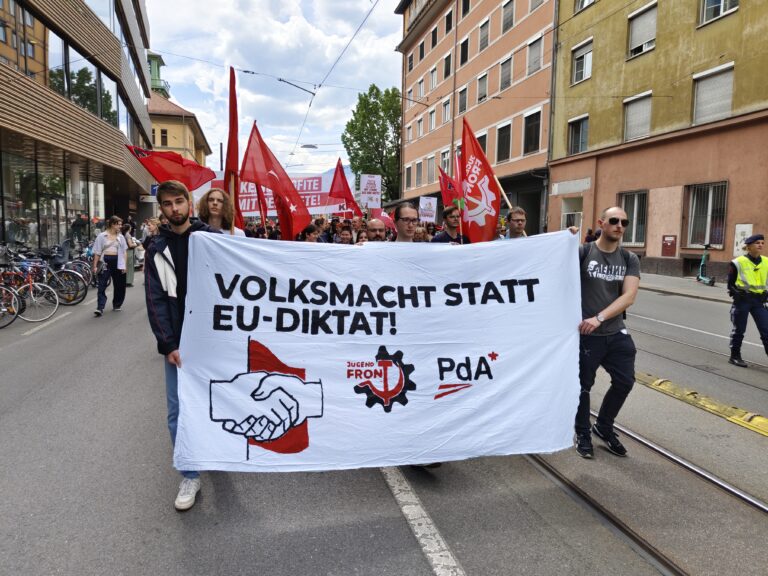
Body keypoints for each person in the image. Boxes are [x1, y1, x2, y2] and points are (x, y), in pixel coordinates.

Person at [144, 180, 219, 511]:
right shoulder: (155, 248)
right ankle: (189, 473)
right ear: (161, 208)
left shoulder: (211, 239)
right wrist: (168, 343)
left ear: (189, 202)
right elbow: (155, 299)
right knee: (177, 411)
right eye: (167, 204)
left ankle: (219, 451)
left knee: (219, 398)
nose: (174, 209)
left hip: (214, 341)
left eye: (179, 201)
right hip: (179, 341)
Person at [575, 206, 640, 459]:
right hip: (586, 335)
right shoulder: (583, 252)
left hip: (615, 333)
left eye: (624, 222)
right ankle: (582, 432)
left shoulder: (628, 258)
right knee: (583, 387)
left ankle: (603, 425)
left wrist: (600, 318)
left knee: (625, 381)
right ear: (601, 223)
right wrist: (566, 240)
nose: (619, 226)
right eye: (614, 221)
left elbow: (629, 295)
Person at [727, 234, 767, 367]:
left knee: (766, 329)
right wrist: (736, 293)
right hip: (743, 300)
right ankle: (735, 356)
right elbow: (730, 284)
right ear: (749, 246)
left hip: (759, 301)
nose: (760, 245)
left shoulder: (766, 262)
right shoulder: (738, 262)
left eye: (762, 243)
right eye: (757, 243)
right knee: (739, 329)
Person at [92, 216, 128, 316]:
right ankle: (100, 307)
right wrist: (95, 266)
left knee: (120, 285)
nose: (120, 226)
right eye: (119, 224)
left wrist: (124, 265)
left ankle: (117, 304)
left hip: (118, 262)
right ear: (113, 224)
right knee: (102, 285)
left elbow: (124, 252)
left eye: (121, 224)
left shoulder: (121, 237)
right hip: (105, 262)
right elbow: (97, 252)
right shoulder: (101, 236)